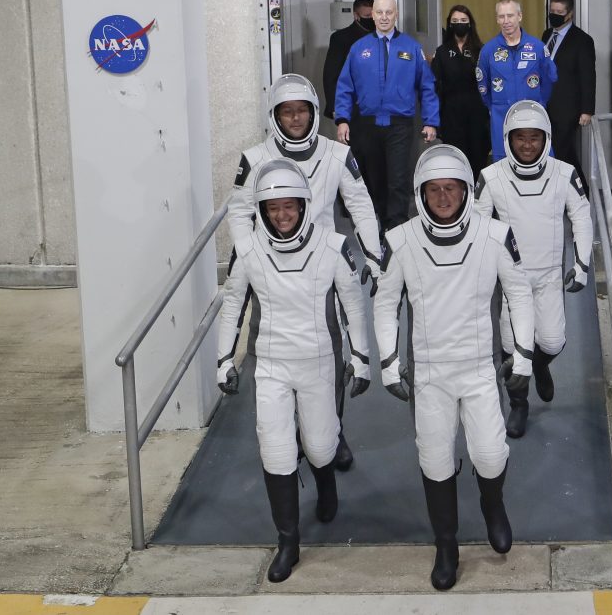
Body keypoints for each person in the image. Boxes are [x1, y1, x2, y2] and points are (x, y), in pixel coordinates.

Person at [373, 145, 534, 591]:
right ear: (421, 194)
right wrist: (389, 363)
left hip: (480, 368)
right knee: (436, 459)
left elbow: (519, 294)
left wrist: (522, 356)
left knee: (489, 453)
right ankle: (447, 545)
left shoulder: (495, 235)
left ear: (466, 191)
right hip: (429, 374)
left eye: (452, 189)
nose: (444, 198)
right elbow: (385, 304)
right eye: (434, 190)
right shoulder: (400, 240)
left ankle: (492, 503)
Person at [216, 158, 371, 583]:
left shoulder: (333, 246)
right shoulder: (247, 250)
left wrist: (361, 358)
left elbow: (354, 305)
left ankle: (326, 484)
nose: (282, 216)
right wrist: (223, 359)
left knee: (321, 447)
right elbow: (233, 305)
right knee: (277, 451)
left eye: (289, 206)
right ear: (262, 211)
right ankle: (288, 542)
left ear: (304, 205)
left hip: (319, 362)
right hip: (270, 366)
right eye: (272, 208)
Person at [228, 73, 382, 472]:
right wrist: (248, 256)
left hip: (323, 271)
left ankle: (331, 433)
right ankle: (285, 432)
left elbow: (361, 206)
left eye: (302, 111)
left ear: (314, 113)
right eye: (287, 112)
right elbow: (240, 213)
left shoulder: (336, 155)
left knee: (329, 355)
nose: (295, 119)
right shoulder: (254, 159)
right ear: (275, 116)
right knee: (273, 358)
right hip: (271, 273)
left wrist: (375, 255)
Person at [475, 101, 592, 438]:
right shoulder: (491, 177)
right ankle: (519, 404)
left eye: (534, 138)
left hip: (550, 276)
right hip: (512, 282)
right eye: (520, 138)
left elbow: (581, 217)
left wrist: (582, 263)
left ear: (547, 138)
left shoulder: (565, 173)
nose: (527, 145)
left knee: (552, 342)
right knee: (514, 349)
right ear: (508, 139)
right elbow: (478, 226)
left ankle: (540, 365)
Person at [334, 0, 440, 233]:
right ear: (372, 15)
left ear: (396, 14)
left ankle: (396, 234)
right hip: (366, 126)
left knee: (398, 181)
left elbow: (427, 87)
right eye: (379, 12)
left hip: (399, 126)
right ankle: (378, 231)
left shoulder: (411, 48)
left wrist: (431, 121)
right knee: (374, 182)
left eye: (388, 12)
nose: (384, 17)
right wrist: (342, 119)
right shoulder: (359, 49)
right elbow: (345, 87)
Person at [476, 0, 557, 160]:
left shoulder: (537, 47)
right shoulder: (488, 50)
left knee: (541, 160)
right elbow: (483, 85)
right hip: (501, 117)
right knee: (504, 165)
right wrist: (496, 106)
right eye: (501, 16)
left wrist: (539, 102)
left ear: (519, 16)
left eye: (510, 15)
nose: (506, 21)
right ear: (497, 19)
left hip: (533, 116)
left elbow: (550, 78)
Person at [430, 5, 490, 180]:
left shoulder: (482, 50)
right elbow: (434, 86)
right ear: (449, 24)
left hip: (478, 115)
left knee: (478, 159)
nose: (459, 24)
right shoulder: (442, 52)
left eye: (463, 21)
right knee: (455, 161)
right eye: (455, 21)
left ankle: (478, 200)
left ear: (470, 23)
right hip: (451, 115)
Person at [542, 0, 596, 186]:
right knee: (558, 152)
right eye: (552, 11)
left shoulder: (582, 40)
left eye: (559, 12)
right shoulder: (547, 35)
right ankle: (576, 192)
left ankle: (580, 190)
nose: (554, 15)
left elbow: (588, 76)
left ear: (570, 14)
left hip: (568, 107)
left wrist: (587, 109)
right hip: (546, 104)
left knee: (562, 151)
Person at [322, 0, 374, 120]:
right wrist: (335, 107)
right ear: (356, 15)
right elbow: (331, 75)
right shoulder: (341, 38)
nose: (371, 19)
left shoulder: (383, 36)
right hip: (353, 105)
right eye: (367, 17)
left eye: (373, 15)